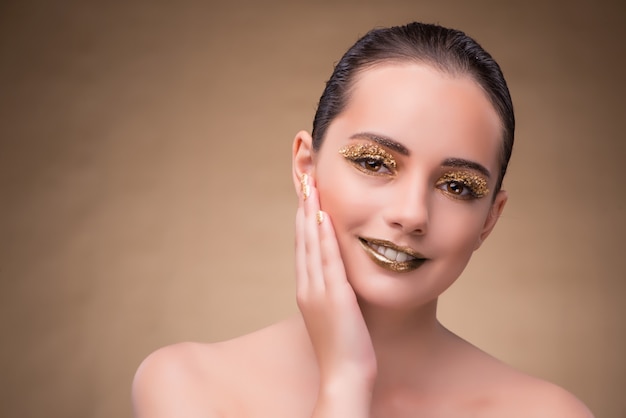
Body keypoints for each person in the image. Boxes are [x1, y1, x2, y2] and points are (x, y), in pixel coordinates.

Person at [132, 22, 594, 417]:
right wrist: (344, 383)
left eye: (457, 187)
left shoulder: (548, 413)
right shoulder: (189, 386)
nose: (411, 214)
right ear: (305, 167)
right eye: (375, 163)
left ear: (489, 220)